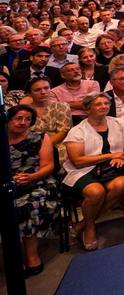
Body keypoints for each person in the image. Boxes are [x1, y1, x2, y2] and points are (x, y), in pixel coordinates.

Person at [62, 93, 124, 251]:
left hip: (112, 167)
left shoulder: (120, 123)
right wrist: (111, 155)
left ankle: (83, 224)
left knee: (121, 184)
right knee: (96, 192)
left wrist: (123, 156)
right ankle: (90, 228)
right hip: (83, 170)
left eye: (106, 103)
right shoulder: (77, 131)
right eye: (98, 104)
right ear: (87, 110)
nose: (104, 106)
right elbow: (77, 161)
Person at [7, 104, 58, 277]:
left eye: (28, 119)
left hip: (38, 180)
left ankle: (31, 255)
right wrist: (10, 179)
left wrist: (31, 177)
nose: (23, 122)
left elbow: (48, 166)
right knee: (8, 207)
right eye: (19, 118)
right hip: (7, 183)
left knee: (28, 205)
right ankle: (15, 256)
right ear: (7, 119)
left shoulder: (40, 137)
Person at [21, 77, 71, 149]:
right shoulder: (24, 110)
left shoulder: (62, 106)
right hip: (30, 144)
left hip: (57, 144)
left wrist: (42, 146)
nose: (43, 92)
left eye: (46, 88)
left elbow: (63, 132)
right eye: (37, 90)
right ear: (29, 94)